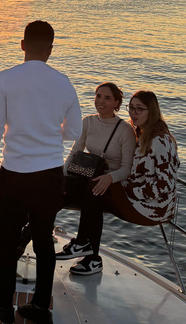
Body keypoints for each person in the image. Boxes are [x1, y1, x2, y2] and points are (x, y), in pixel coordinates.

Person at [0, 21, 83, 324]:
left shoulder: (5, 79)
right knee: (43, 240)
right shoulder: (64, 83)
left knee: (9, 241)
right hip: (49, 176)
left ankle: (5, 307)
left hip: (14, 175)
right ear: (51, 48)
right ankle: (39, 308)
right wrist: (49, 134)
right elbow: (74, 130)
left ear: (22, 45)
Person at [64, 90, 179, 276]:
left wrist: (126, 189)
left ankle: (86, 249)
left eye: (140, 109)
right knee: (90, 187)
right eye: (131, 108)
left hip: (153, 207)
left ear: (153, 111)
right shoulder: (140, 133)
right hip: (137, 196)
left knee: (95, 190)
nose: (134, 113)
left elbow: (164, 186)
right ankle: (87, 252)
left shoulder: (160, 141)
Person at [57, 82, 136, 259]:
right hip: (88, 177)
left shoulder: (125, 130)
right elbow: (74, 152)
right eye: (98, 96)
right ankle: (27, 234)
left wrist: (109, 178)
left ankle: (84, 245)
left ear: (117, 103)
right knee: (56, 191)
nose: (101, 101)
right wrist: (62, 176)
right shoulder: (88, 122)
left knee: (92, 192)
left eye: (107, 98)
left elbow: (126, 169)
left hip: (112, 183)